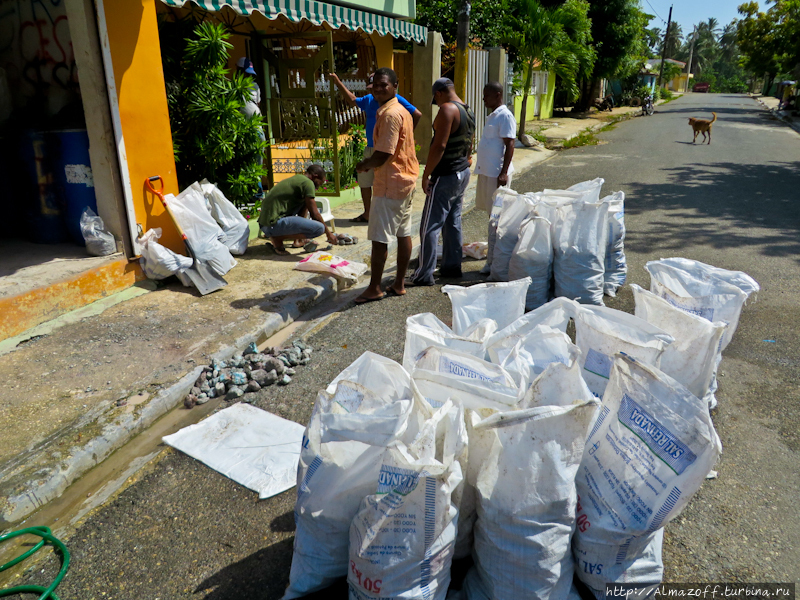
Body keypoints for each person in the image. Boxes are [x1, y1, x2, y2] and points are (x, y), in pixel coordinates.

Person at [352, 67, 419, 304]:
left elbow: (383, 154)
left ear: (395, 86)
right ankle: (398, 283)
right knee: (403, 233)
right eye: (375, 85)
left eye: (384, 85)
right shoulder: (401, 110)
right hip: (405, 180)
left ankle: (375, 287)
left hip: (390, 182)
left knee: (380, 238)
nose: (379, 89)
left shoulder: (391, 114)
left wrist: (364, 165)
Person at [329, 71, 421, 223]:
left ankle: (381, 217)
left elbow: (416, 114)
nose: (376, 90)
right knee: (365, 181)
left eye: (381, 86)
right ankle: (368, 213)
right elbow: (352, 100)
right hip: (372, 148)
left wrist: (404, 138)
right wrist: (338, 83)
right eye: (373, 87)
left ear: (393, 87)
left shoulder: (395, 102)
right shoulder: (369, 99)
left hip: (387, 150)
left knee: (385, 184)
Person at [408, 78, 475, 286]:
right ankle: (452, 267)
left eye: (435, 101)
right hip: (462, 172)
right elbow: (470, 141)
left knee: (430, 226)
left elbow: (439, 146)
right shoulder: (467, 109)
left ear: (438, 93)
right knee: (453, 222)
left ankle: (423, 274)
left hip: (445, 175)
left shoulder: (447, 110)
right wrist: (466, 157)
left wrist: (426, 174)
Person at [473, 81, 516, 275]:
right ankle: (493, 259)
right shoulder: (493, 115)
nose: (483, 99)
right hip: (487, 172)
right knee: (491, 217)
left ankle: (494, 262)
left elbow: (510, 144)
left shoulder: (505, 115)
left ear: (497, 95)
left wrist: (504, 172)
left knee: (497, 218)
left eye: (486, 95)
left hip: (497, 174)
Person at [257, 165, 338, 255]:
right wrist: (328, 233)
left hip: (265, 225)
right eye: (320, 183)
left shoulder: (298, 179)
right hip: (273, 225)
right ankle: (277, 238)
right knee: (319, 228)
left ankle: (297, 241)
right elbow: (315, 214)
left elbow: (304, 210)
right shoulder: (308, 183)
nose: (318, 187)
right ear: (315, 176)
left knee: (305, 203)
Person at [237, 57, 266, 201]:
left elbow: (257, 105)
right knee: (244, 161)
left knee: (257, 162)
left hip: (256, 129)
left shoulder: (255, 87)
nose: (248, 76)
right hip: (241, 131)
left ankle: (257, 193)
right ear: (239, 72)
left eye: (250, 74)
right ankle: (246, 193)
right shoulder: (233, 88)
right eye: (245, 73)